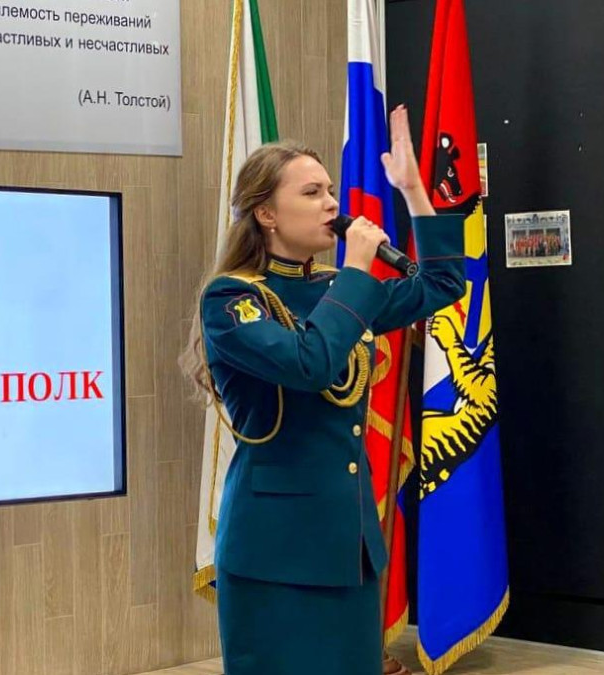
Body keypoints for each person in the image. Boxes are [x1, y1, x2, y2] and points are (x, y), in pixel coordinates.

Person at [179, 105, 468, 675]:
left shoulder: (339, 288)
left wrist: (412, 190)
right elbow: (308, 364)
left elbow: (442, 282)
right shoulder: (234, 300)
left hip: (346, 542)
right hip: (274, 550)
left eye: (330, 190)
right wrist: (358, 272)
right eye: (312, 193)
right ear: (266, 213)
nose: (332, 204)